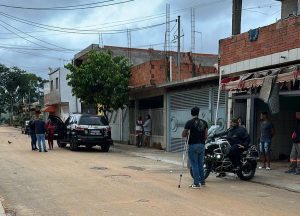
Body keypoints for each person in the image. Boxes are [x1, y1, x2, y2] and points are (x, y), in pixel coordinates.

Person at [182, 107, 208, 189]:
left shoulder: (189, 123)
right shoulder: (204, 122)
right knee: (200, 163)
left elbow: (183, 134)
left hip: (193, 145)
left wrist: (187, 132)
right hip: (202, 145)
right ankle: (202, 181)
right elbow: (206, 135)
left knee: (194, 164)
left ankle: (196, 183)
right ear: (198, 113)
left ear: (191, 113)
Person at [285, 111, 300, 175]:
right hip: (295, 141)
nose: (296, 115)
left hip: (299, 141)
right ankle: (292, 169)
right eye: (296, 114)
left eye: (298, 114)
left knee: (299, 156)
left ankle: (299, 169)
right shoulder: (297, 122)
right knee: (292, 155)